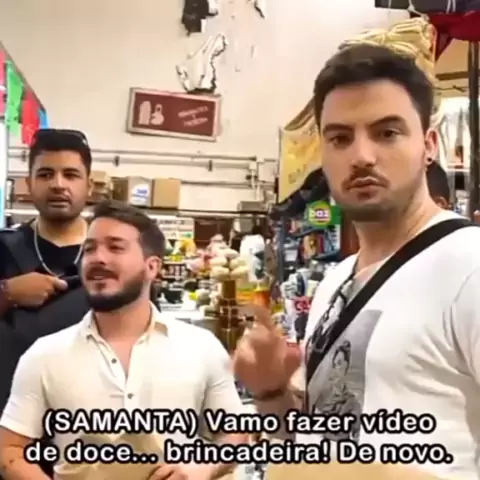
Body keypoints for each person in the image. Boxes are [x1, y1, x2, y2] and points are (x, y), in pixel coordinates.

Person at [234, 44, 480, 480]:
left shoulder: (469, 266)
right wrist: (271, 392)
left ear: (428, 145)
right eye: (340, 138)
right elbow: (311, 452)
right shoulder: (334, 282)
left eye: (387, 133)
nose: (362, 156)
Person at [0, 200, 246, 480]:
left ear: (152, 267)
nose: (98, 258)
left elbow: (235, 433)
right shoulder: (45, 355)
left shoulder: (201, 347)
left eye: (115, 247)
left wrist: (202, 468)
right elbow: (9, 450)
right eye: (89, 249)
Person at [0, 129, 92, 410]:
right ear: (29, 184)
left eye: (71, 175)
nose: (58, 185)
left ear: (89, 186)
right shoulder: (4, 247)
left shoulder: (113, 256)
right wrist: (7, 294)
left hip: (88, 420)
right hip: (9, 413)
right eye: (45, 174)